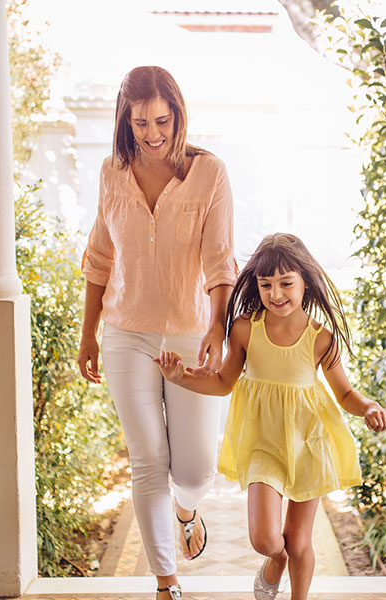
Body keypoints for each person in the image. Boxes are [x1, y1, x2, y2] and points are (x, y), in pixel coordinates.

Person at [154, 233, 386, 600]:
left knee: (299, 541)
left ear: (305, 283)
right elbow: (222, 383)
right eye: (266, 285)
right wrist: (179, 377)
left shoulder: (320, 338)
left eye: (286, 283)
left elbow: (345, 393)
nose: (276, 293)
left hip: (309, 442)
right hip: (263, 442)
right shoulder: (246, 329)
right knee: (265, 538)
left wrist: (369, 407)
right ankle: (275, 560)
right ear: (257, 286)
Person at [78, 65, 237, 600]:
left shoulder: (209, 173)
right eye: (140, 121)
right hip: (127, 335)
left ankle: (187, 509)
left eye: (162, 121)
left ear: (178, 115)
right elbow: (100, 258)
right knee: (147, 460)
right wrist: (89, 334)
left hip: (192, 335)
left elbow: (220, 262)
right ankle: (166, 584)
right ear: (126, 119)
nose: (152, 133)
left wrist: (217, 324)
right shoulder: (111, 173)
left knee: (194, 470)